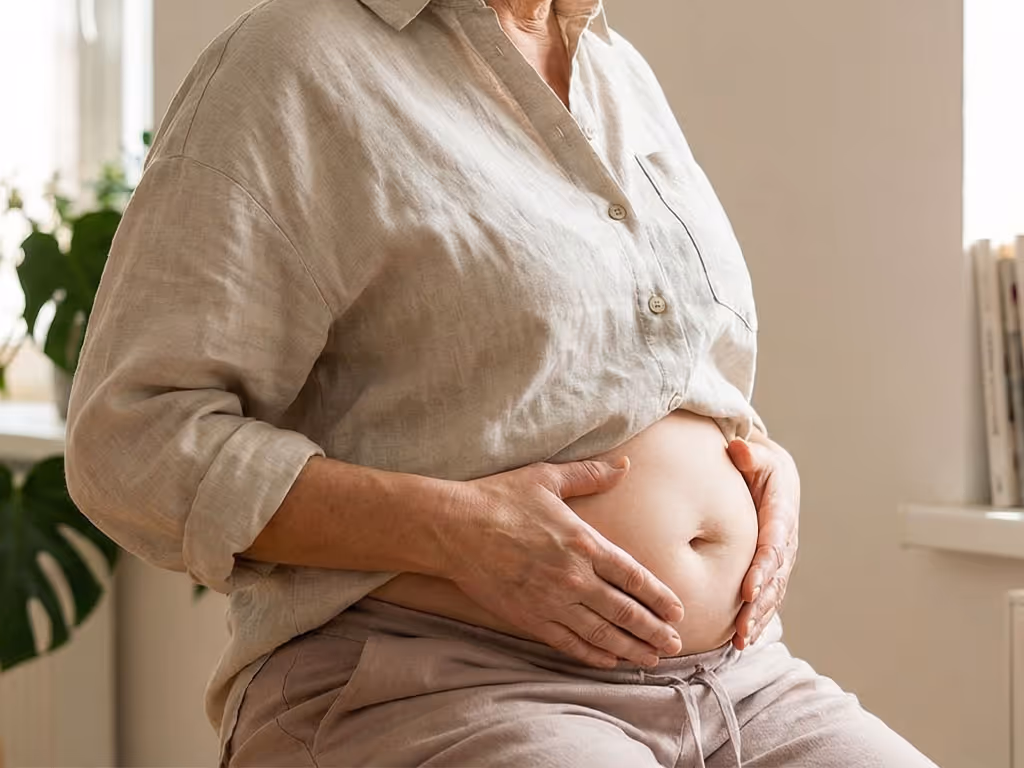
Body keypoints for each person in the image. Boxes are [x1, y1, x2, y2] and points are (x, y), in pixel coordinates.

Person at [64, 0, 939, 765]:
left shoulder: (615, 71)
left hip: (738, 683)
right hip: (439, 679)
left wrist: (756, 460)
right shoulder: (294, 62)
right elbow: (132, 441)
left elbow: (638, 370)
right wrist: (455, 532)